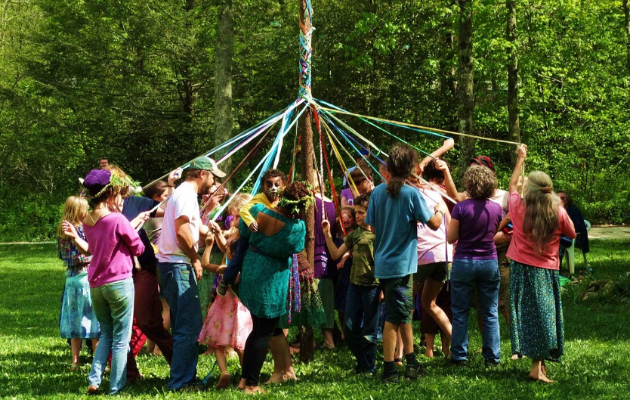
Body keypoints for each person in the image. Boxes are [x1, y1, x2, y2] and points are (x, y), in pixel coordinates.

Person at [365, 144, 447, 382]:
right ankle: (389, 369)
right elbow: (432, 223)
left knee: (403, 315)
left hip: (383, 263)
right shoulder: (411, 194)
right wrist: (440, 210)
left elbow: (371, 226)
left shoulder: (378, 193)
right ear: (409, 168)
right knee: (393, 317)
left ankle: (411, 363)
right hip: (401, 265)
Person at [156, 156, 226, 391]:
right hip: (178, 265)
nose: (214, 181)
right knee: (189, 325)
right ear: (201, 174)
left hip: (172, 265)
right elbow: (182, 231)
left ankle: (182, 377)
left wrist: (209, 229)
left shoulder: (184, 194)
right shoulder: (186, 194)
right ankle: (181, 382)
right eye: (213, 176)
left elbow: (191, 227)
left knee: (184, 324)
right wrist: (195, 258)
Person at [507, 145, 575, 383]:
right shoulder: (557, 211)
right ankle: (538, 366)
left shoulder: (517, 207)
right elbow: (573, 234)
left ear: (530, 189)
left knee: (528, 314)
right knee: (544, 315)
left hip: (520, 269)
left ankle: (538, 365)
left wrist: (520, 160)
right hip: (546, 270)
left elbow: (512, 187)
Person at [76, 168, 146, 395]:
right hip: (119, 282)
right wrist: (133, 228)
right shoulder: (117, 219)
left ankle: (94, 380)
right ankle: (116, 386)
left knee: (106, 333)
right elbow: (138, 247)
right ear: (109, 194)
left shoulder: (87, 219)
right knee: (121, 337)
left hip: (96, 284)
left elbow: (100, 246)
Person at [238, 182, 312, 394]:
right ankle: (252, 384)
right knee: (265, 333)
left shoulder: (258, 211)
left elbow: (243, 230)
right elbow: (297, 248)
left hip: (252, 271)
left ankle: (244, 379)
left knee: (257, 328)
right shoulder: (297, 227)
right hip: (272, 279)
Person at [441, 155, 512, 329]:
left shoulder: (505, 196)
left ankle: (517, 346)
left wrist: (496, 233)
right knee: (483, 305)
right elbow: (454, 196)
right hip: (478, 254)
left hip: (500, 253)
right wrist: (445, 171)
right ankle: (488, 347)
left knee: (503, 301)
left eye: (477, 169)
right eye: (472, 170)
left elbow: (515, 217)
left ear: (490, 173)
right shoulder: (468, 197)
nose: (474, 173)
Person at [445, 165, 503, 368]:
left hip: (464, 262)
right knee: (490, 311)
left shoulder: (461, 208)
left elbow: (451, 237)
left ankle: (459, 356)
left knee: (460, 311)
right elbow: (493, 233)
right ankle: (492, 358)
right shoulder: (496, 208)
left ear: (469, 183)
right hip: (488, 262)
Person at [197, 194, 253, 390]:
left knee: (219, 340)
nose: (234, 221)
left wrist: (211, 244)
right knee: (240, 343)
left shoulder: (244, 240)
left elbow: (223, 257)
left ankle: (226, 372)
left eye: (237, 217)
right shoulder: (238, 236)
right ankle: (246, 376)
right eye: (233, 216)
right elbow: (228, 252)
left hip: (228, 298)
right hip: (239, 298)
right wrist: (220, 234)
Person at [323, 193, 380, 375]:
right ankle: (363, 363)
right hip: (355, 286)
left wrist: (384, 289)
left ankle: (369, 367)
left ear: (371, 212)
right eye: (356, 212)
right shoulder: (354, 234)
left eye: (361, 213)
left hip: (373, 286)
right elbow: (335, 255)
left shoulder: (379, 233)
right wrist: (327, 234)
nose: (357, 216)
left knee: (369, 330)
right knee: (348, 328)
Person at [411, 162, 453, 359]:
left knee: (405, 304)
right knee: (430, 303)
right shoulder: (439, 196)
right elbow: (451, 225)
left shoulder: (412, 195)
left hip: (422, 256)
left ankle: (401, 353)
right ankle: (458, 346)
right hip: (444, 257)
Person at [57, 196, 100, 371]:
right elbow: (83, 253)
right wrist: (92, 256)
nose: (88, 211)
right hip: (85, 278)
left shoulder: (62, 230)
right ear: (79, 210)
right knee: (94, 319)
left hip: (71, 280)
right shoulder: (81, 229)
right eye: (86, 208)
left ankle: (75, 361)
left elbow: (63, 256)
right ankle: (97, 360)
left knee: (74, 319)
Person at [313, 173, 339, 349]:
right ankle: (328, 339)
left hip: (313, 253)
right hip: (329, 254)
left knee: (312, 296)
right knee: (326, 298)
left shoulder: (310, 202)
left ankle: (311, 338)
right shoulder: (331, 202)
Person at [557, 190, 589, 268]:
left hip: (574, 237)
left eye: (562, 198)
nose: (560, 200)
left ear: (567, 199)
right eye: (557, 198)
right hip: (559, 235)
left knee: (558, 244)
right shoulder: (552, 210)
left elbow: (577, 228)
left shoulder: (573, 210)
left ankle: (557, 268)